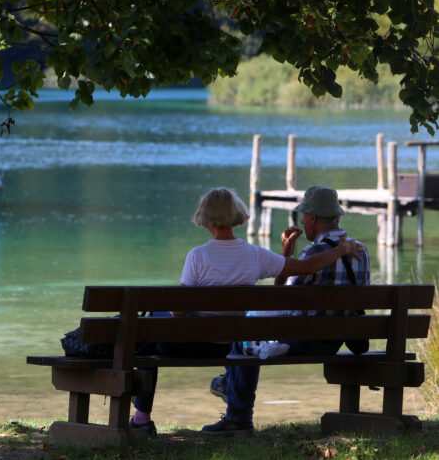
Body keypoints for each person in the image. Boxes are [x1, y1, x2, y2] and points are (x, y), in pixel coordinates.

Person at [129, 187, 363, 436]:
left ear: (204, 217)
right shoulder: (255, 255)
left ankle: (141, 418)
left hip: (187, 346)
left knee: (149, 329)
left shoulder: (197, 256)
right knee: (152, 331)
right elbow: (306, 268)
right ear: (237, 215)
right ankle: (229, 410)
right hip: (226, 345)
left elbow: (178, 314)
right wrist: (338, 250)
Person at [202, 185, 371, 438]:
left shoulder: (313, 252)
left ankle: (238, 416)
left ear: (313, 218)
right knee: (249, 327)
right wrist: (285, 258)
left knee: (243, 333)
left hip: (305, 339)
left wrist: (287, 260)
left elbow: (283, 297)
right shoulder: (361, 251)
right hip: (336, 341)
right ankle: (230, 388)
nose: (302, 220)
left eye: (304, 215)